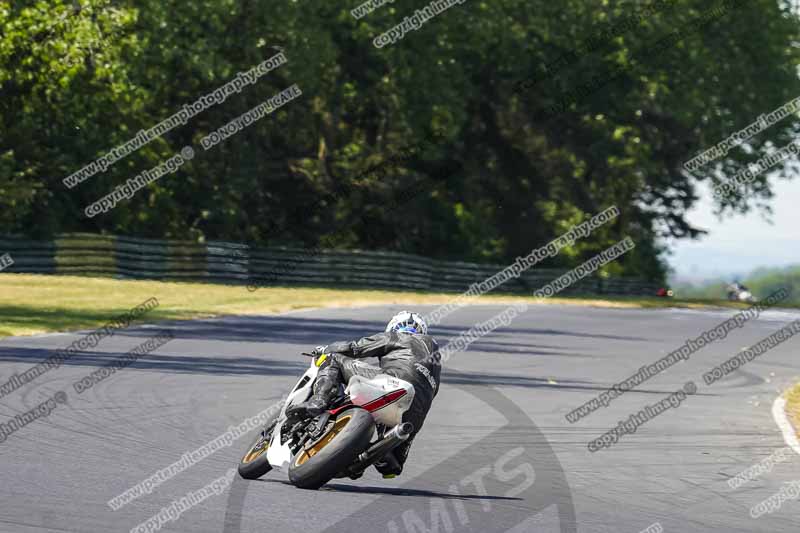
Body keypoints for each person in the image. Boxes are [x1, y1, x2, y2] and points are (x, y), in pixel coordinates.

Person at [286, 310, 441, 478]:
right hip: (415, 412)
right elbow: (432, 392)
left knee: (334, 358)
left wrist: (326, 349)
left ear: (395, 326)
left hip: (392, 383)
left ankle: (319, 400)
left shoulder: (397, 336)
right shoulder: (435, 358)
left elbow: (355, 348)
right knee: (392, 467)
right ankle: (368, 458)